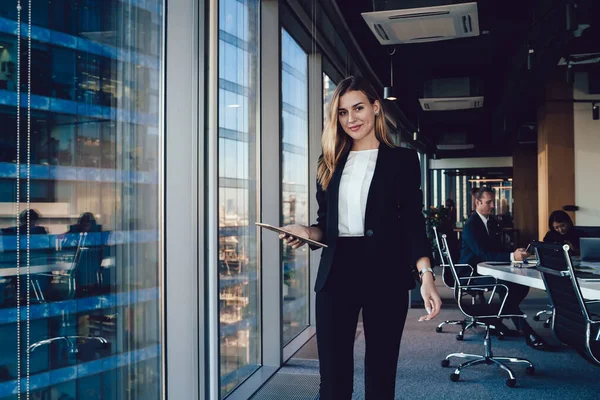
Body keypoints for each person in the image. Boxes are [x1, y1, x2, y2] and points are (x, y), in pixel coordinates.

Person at [276, 76, 442, 399]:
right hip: (337, 272)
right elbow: (326, 224)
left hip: (386, 273)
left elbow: (412, 223)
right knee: (333, 383)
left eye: (358, 108)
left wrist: (426, 275)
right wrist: (306, 233)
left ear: (376, 108)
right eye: (342, 112)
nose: (351, 119)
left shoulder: (403, 161)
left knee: (380, 380)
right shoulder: (329, 163)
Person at [460, 186, 548, 350]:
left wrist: (515, 253)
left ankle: (496, 320)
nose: (493, 206)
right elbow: (483, 254)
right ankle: (527, 331)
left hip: (486, 268)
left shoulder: (489, 222)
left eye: (492, 202)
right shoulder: (471, 226)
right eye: (489, 202)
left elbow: (497, 249)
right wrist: (511, 257)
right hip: (471, 273)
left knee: (521, 285)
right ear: (478, 203)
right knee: (506, 285)